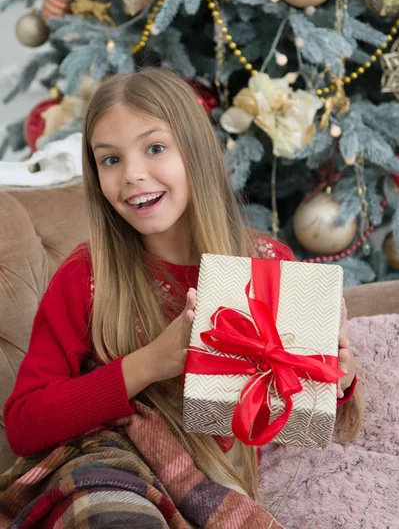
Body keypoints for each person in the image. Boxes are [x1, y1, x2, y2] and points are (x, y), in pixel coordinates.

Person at [3, 68, 359, 523]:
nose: (132, 174)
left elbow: (303, 412)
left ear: (195, 154)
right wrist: (152, 362)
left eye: (155, 149)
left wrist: (339, 380)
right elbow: (24, 424)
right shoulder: (86, 277)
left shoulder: (270, 265)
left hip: (215, 486)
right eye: (110, 160)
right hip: (111, 472)